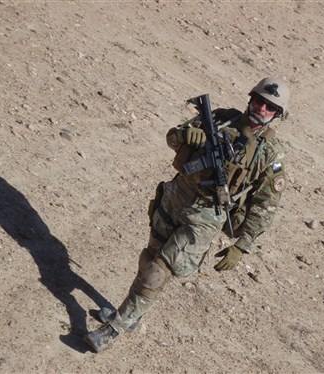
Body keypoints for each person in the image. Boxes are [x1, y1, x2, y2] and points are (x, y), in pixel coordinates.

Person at [84, 77, 291, 352]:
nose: (262, 109)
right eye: (260, 101)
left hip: (207, 216)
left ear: (278, 114)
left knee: (159, 271)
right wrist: (185, 136)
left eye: (270, 107)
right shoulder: (220, 119)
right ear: (251, 97)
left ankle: (114, 329)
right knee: (149, 258)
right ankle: (132, 317)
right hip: (176, 196)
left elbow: (266, 205)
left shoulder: (271, 155)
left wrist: (242, 246)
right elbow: (171, 137)